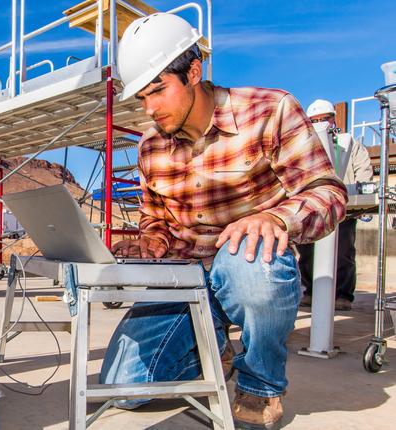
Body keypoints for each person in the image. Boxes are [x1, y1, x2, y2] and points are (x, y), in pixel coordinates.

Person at [102, 13, 347, 430]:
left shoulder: (271, 111)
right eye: (142, 98)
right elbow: (154, 219)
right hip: (186, 278)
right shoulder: (150, 147)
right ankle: (212, 349)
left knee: (250, 266)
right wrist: (152, 241)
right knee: (124, 388)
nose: (150, 108)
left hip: (250, 267)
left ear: (194, 71)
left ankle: (260, 385)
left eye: (158, 91)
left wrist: (275, 219)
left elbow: (328, 193)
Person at [297, 99, 373, 311]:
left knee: (343, 252)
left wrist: (356, 193)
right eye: (315, 120)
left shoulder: (350, 144)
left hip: (343, 208)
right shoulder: (304, 148)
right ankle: (311, 291)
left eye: (324, 119)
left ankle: (342, 295)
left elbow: (363, 172)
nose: (321, 123)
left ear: (333, 119)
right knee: (307, 252)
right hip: (312, 209)